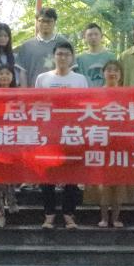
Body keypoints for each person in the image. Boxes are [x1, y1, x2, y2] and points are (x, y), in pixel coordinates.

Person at [35, 41, 88, 228]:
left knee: (72, 174)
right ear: (53, 57)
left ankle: (69, 214)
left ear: (72, 57)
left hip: (72, 132)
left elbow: (85, 106)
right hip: (49, 133)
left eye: (66, 54)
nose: (63, 57)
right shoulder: (42, 78)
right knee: (47, 174)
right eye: (59, 54)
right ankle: (49, 214)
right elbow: (37, 105)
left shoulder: (80, 80)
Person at [84, 60, 134, 227]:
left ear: (121, 74)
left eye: (116, 70)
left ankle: (116, 217)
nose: (112, 73)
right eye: (109, 70)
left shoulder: (127, 94)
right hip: (101, 141)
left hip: (121, 143)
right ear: (103, 73)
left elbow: (132, 117)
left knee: (119, 181)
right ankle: (103, 217)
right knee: (103, 181)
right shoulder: (95, 93)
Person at [0, 64, 21, 228]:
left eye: (8, 73)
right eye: (1, 73)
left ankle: (11, 202)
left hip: (12, 141)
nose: (4, 76)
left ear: (13, 77)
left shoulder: (20, 95)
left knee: (9, 176)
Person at [16, 7, 60, 87]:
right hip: (33, 91)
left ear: (54, 22)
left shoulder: (64, 44)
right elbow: (22, 72)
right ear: (36, 22)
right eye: (42, 21)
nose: (45, 24)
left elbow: (71, 70)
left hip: (58, 91)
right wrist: (25, 92)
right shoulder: (27, 46)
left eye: (49, 21)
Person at [75, 22, 114, 87]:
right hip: (85, 92)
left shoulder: (111, 57)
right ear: (85, 37)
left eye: (96, 34)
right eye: (90, 35)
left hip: (107, 92)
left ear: (101, 36)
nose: (93, 37)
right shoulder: (79, 59)